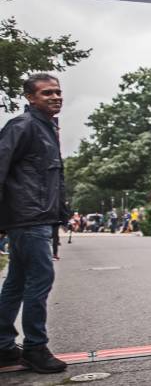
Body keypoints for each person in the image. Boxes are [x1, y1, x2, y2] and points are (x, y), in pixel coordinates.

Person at [0, 73, 70, 373]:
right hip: (29, 219)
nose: (55, 97)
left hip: (37, 217)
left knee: (16, 282)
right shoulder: (24, 126)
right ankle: (34, 348)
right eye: (47, 93)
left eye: (58, 92)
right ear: (30, 97)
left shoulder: (47, 128)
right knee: (39, 280)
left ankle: (3, 346)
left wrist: (61, 211)